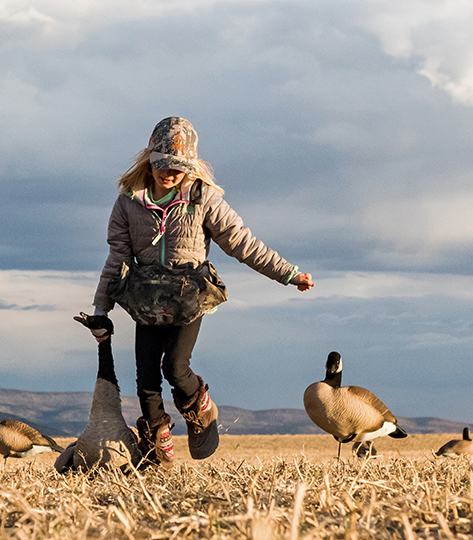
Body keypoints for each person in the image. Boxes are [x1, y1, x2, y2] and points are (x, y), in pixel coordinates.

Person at [92, 116, 314, 468]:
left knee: (175, 368)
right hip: (145, 300)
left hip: (188, 298)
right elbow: (117, 257)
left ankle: (199, 407)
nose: (169, 174)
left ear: (191, 168)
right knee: (146, 378)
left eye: (178, 169)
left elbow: (242, 243)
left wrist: (288, 274)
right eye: (162, 165)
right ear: (150, 160)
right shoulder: (127, 203)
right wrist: (100, 309)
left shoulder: (203, 199)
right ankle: (157, 447)